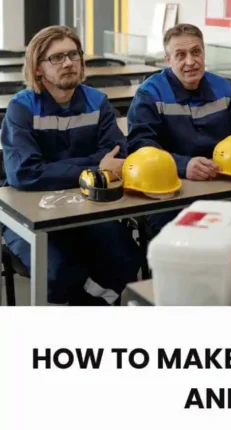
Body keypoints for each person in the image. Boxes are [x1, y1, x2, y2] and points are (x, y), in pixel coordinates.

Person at [0, 26, 143, 305]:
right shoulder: (22, 108)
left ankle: (88, 311)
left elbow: (117, 153)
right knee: (58, 273)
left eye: (73, 55)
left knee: (126, 256)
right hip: (27, 212)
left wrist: (57, 168)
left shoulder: (96, 101)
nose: (68, 62)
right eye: (56, 58)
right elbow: (25, 174)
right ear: (38, 68)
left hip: (84, 206)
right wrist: (94, 168)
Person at [126, 23, 231, 248]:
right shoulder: (150, 94)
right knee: (192, 244)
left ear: (204, 53)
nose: (190, 61)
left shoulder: (223, 88)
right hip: (172, 194)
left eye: (196, 52)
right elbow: (141, 147)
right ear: (168, 60)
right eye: (181, 55)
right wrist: (183, 165)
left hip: (225, 187)